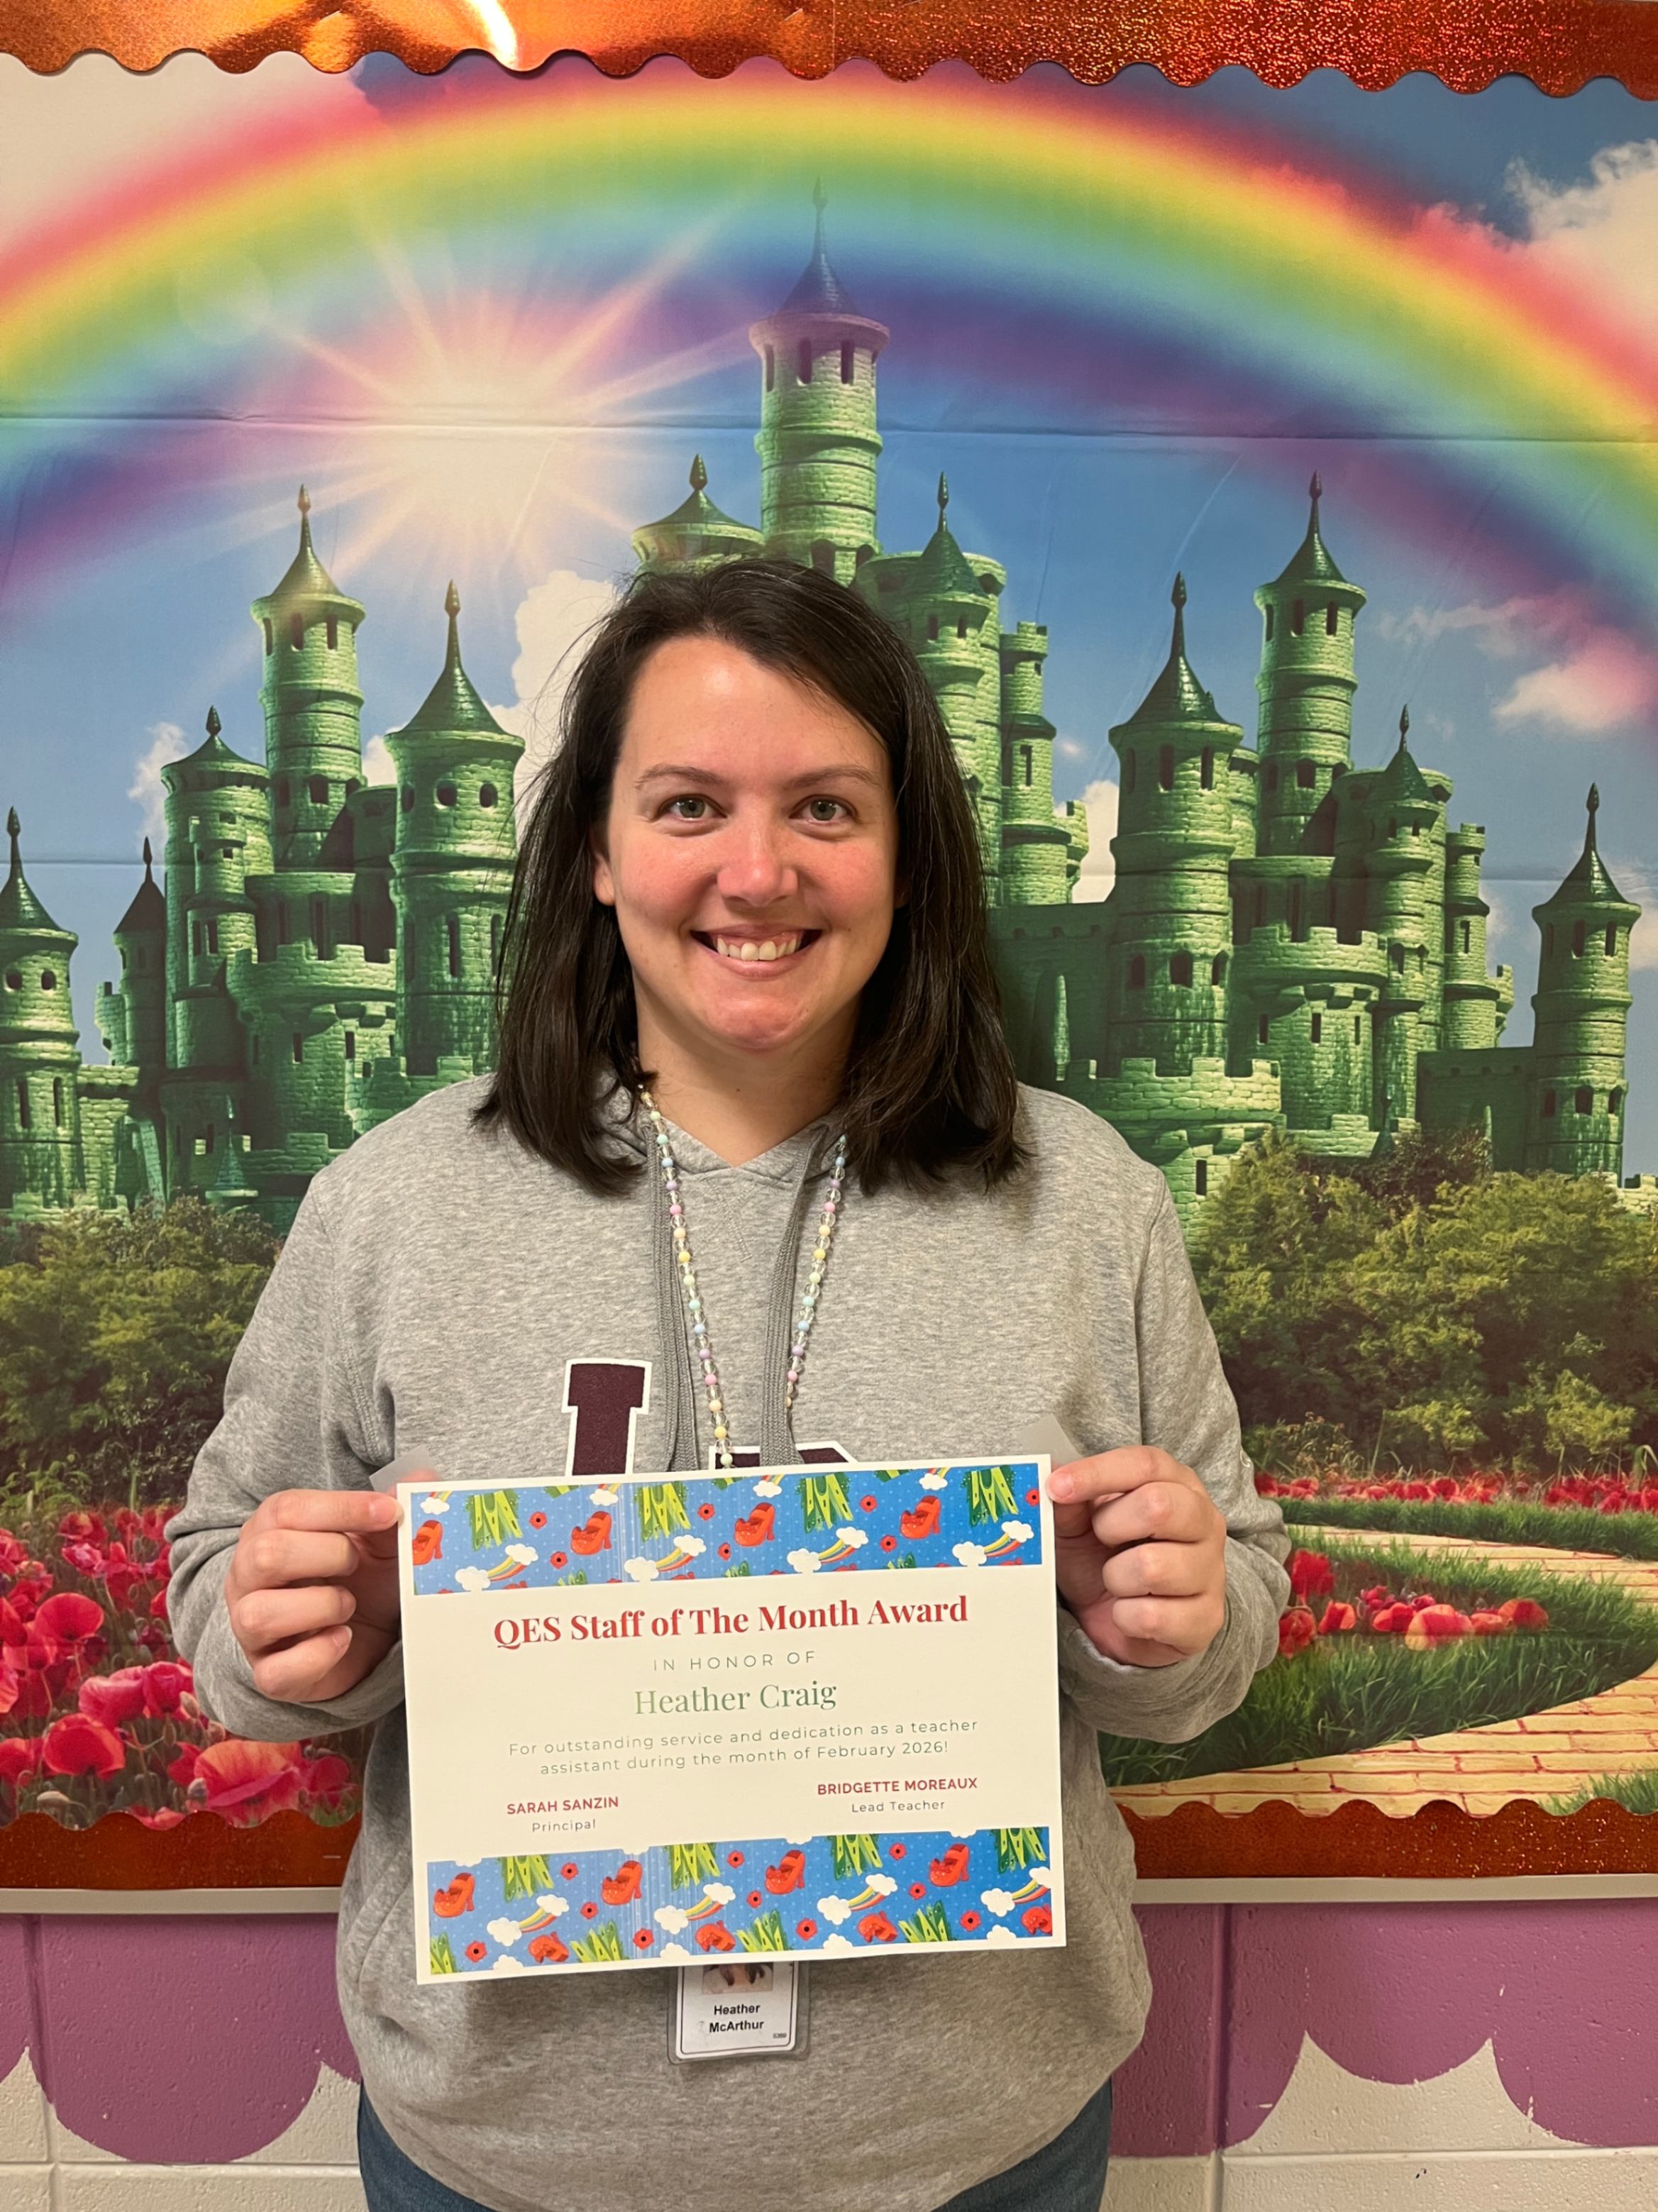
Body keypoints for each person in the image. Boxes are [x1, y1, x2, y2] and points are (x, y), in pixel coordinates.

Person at [166, 558, 1289, 2212]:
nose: (755, 871)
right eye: (688, 802)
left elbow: (1224, 1610)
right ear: (597, 853)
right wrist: (285, 1641)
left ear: (908, 856)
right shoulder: (396, 1201)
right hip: (499, 2166)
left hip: (980, 2154)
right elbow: (219, 1583)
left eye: (825, 808)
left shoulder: (1086, 1197)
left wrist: (1176, 1617)